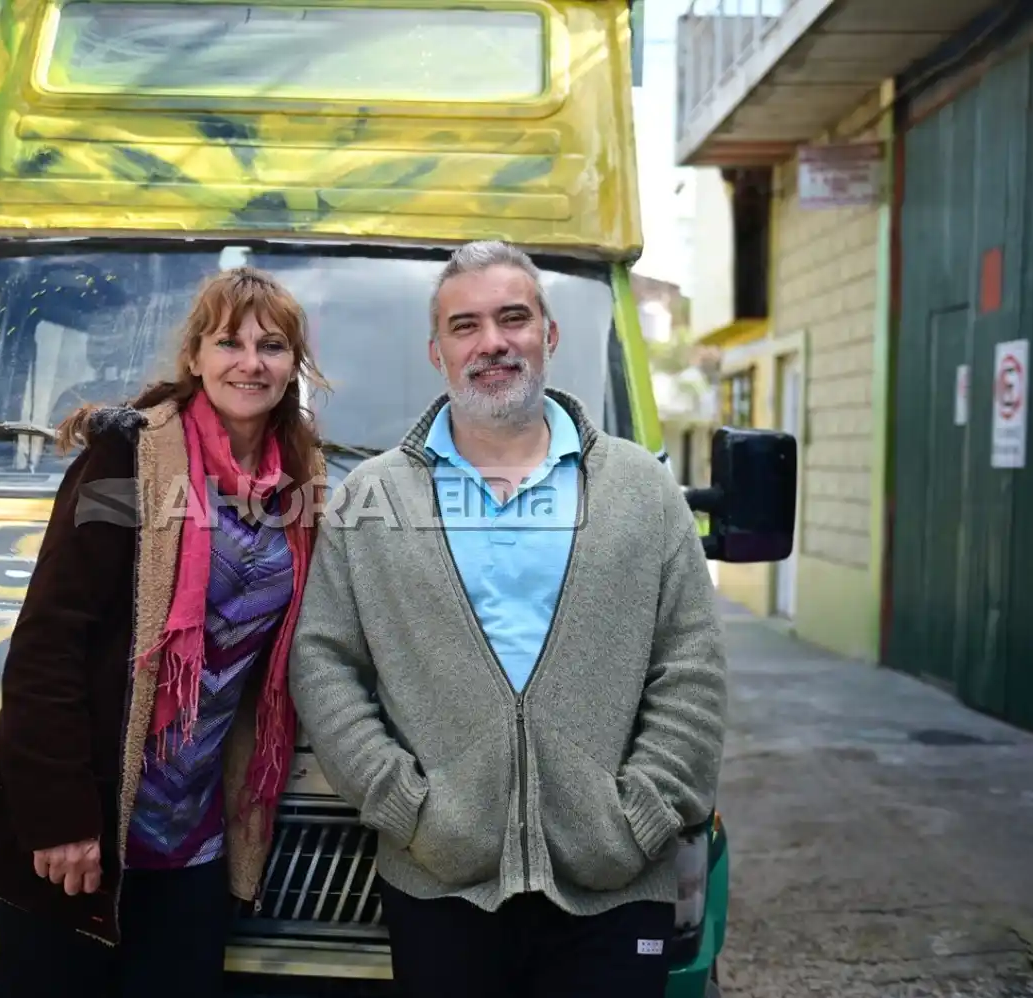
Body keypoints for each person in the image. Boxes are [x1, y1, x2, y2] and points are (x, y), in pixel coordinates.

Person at [288, 240, 727, 997]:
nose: (491, 342)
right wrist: (408, 808)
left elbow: (691, 663)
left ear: (549, 336)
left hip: (615, 887)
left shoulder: (641, 490)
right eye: (466, 326)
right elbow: (323, 661)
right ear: (437, 351)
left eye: (513, 318)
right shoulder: (371, 497)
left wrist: (640, 819)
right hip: (440, 883)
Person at [0, 267, 328, 997]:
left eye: (272, 346)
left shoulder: (301, 477)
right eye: (230, 343)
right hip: (87, 836)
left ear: (292, 365)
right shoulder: (125, 458)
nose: (251, 362)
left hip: (194, 839)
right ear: (195, 358)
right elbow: (48, 645)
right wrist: (61, 818)